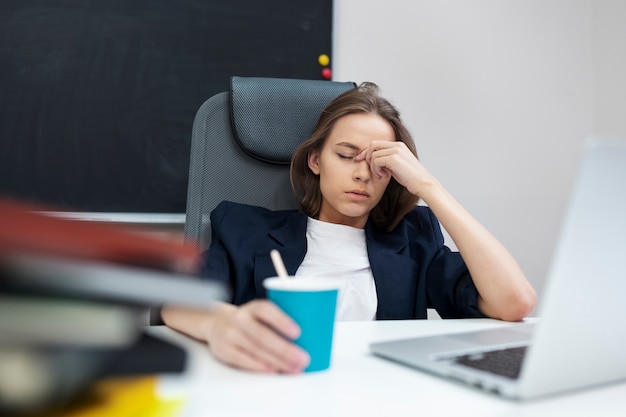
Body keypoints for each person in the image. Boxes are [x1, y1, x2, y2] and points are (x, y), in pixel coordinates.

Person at [161, 82, 537, 374]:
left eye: (380, 164)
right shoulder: (246, 229)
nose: (361, 173)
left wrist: (428, 187)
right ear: (315, 160)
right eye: (345, 155)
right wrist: (220, 324)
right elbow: (173, 303)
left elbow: (514, 301)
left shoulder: (414, 241)